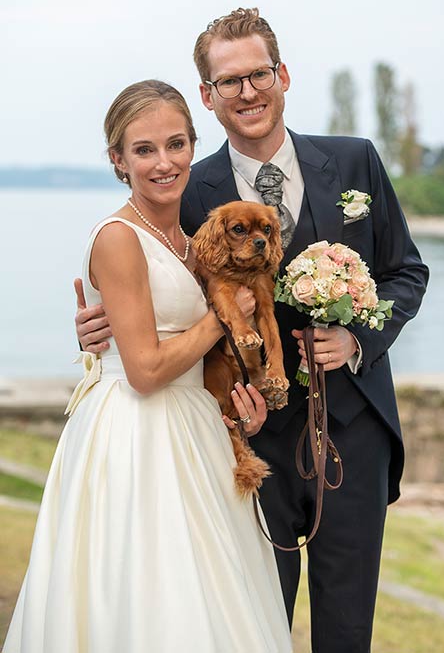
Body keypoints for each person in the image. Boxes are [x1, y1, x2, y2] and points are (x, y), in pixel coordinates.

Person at [76, 9, 429, 653]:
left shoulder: (356, 163)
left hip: (352, 436)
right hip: (241, 438)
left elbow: (406, 273)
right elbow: (150, 285)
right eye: (228, 81)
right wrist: (98, 323)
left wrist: (359, 340)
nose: (248, 92)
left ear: (283, 75)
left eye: (258, 74)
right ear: (208, 97)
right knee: (251, 628)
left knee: (348, 633)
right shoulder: (185, 186)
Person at [4, 80, 292, 653]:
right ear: (118, 159)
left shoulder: (191, 241)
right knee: (151, 597)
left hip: (198, 432)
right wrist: (225, 314)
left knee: (214, 599)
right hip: (135, 437)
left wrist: (241, 409)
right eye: (144, 149)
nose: (165, 162)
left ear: (192, 145)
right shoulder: (117, 237)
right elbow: (143, 369)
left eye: (177, 143)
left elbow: (199, 357)